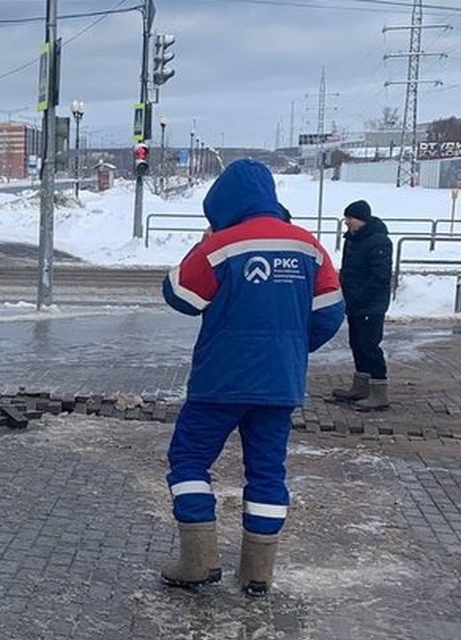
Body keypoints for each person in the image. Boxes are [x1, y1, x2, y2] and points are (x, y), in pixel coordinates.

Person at [160, 159, 344, 597]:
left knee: (188, 461)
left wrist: (202, 244)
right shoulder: (309, 247)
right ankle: (258, 572)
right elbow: (331, 314)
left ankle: (198, 561)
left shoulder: (221, 246)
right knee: (266, 473)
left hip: (219, 382)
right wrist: (290, 349)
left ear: (224, 203)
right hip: (279, 386)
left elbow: (180, 295)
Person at [330, 200, 393, 411]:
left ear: (362, 219)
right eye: (346, 218)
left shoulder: (379, 242)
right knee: (356, 343)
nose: (347, 222)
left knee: (369, 345)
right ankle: (361, 386)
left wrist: (360, 294)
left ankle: (378, 391)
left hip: (371, 304)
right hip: (355, 302)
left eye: (351, 218)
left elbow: (380, 276)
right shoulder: (353, 239)